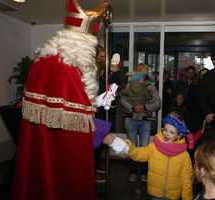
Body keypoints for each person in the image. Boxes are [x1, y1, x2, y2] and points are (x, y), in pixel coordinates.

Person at [10, 0, 129, 199]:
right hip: (61, 154)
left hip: (43, 145)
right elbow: (74, 122)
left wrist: (96, 101)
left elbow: (58, 105)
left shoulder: (45, 58)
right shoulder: (65, 67)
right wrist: (109, 139)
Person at [125, 113, 193, 200]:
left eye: (172, 132)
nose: (167, 134)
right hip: (155, 194)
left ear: (179, 135)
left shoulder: (184, 155)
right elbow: (139, 154)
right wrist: (128, 148)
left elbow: (186, 179)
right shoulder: (154, 147)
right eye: (165, 130)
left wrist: (187, 198)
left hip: (172, 196)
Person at [120, 63, 161, 182]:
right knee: (132, 147)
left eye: (139, 70)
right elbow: (122, 98)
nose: (136, 72)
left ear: (146, 72)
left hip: (145, 122)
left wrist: (145, 107)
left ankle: (143, 173)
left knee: (144, 148)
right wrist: (132, 108)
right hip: (130, 120)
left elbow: (158, 103)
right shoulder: (130, 83)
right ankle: (133, 172)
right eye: (136, 70)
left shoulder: (151, 87)